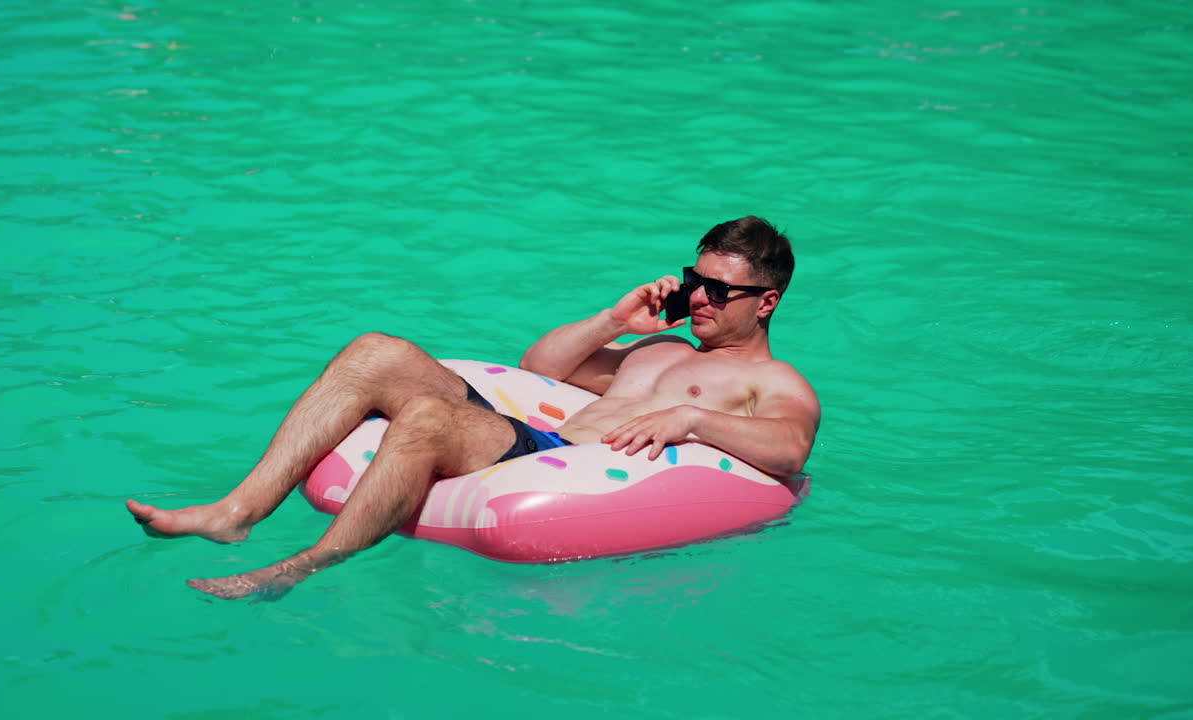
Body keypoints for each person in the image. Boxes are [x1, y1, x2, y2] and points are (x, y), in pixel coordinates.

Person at [127, 216, 821, 600]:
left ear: (767, 302)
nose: (697, 298)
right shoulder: (658, 349)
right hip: (534, 439)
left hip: (559, 463)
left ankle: (298, 568)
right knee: (374, 351)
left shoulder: (775, 381)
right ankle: (236, 511)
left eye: (718, 291)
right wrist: (615, 320)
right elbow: (542, 368)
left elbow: (790, 449)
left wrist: (690, 420)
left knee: (426, 421)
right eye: (696, 280)